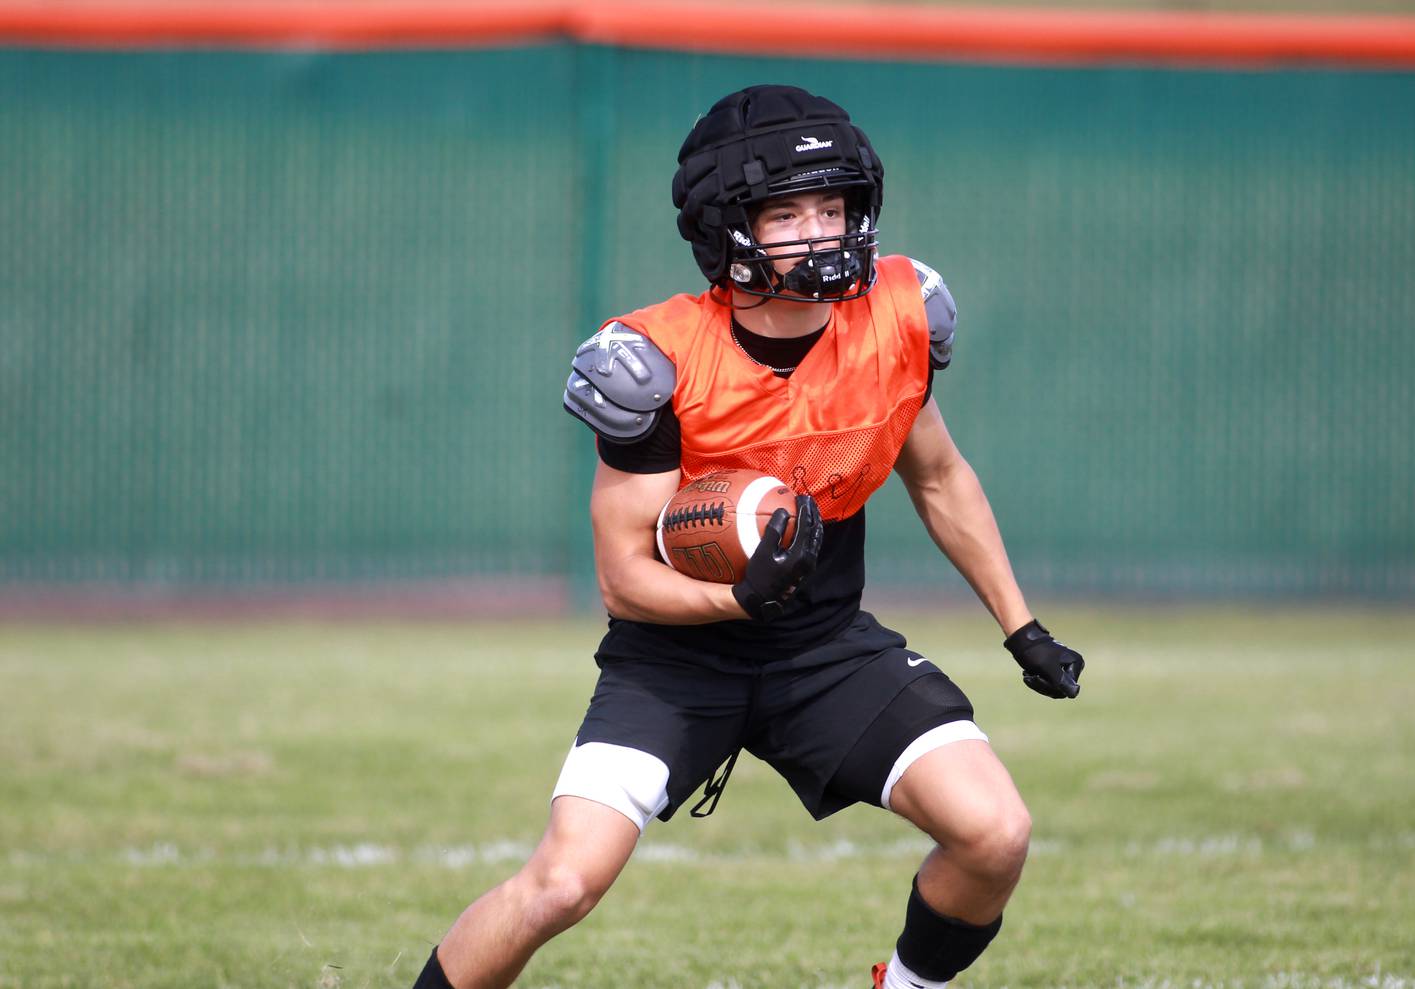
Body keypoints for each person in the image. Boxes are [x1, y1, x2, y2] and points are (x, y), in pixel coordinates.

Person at [411, 84, 1085, 989]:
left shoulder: (899, 315)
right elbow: (621, 579)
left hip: (824, 646)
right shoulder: (658, 360)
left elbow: (938, 474)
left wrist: (1021, 625)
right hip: (677, 661)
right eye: (790, 212)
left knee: (995, 831)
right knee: (562, 883)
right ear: (730, 227)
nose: (823, 231)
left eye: (835, 206)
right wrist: (734, 595)